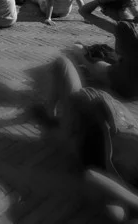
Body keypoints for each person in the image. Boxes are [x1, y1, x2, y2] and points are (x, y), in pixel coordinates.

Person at [37, 56, 138, 224]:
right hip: (99, 117)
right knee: (62, 66)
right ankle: (51, 108)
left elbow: (93, 177)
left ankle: (51, 112)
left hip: (87, 141)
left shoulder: (123, 211)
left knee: (61, 131)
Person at [78, 0, 138, 99]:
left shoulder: (122, 27)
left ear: (110, 7)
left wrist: (102, 0)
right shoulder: (134, 20)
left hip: (127, 86)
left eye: (104, 10)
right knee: (109, 52)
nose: (105, 13)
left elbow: (83, 11)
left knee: (79, 49)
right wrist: (129, 0)